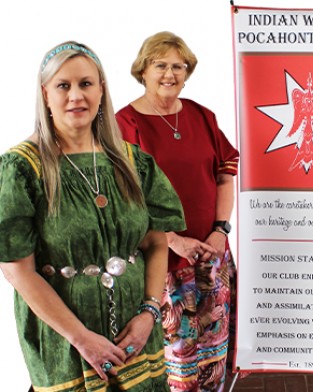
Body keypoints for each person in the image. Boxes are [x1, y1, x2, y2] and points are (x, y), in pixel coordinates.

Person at [0, 41, 186, 391]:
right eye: (63, 85)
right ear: (45, 93)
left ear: (101, 90)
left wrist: (149, 312)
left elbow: (155, 242)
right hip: (66, 346)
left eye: (86, 83)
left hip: (137, 339)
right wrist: (81, 338)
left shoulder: (132, 162)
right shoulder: (22, 168)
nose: (76, 96)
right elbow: (16, 269)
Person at [116, 31, 239, 391]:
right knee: (175, 361)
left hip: (211, 255)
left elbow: (224, 175)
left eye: (178, 66)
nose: (170, 74)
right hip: (162, 263)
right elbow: (127, 201)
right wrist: (173, 241)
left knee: (213, 355)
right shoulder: (126, 124)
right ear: (143, 70)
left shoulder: (202, 116)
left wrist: (220, 230)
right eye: (160, 65)